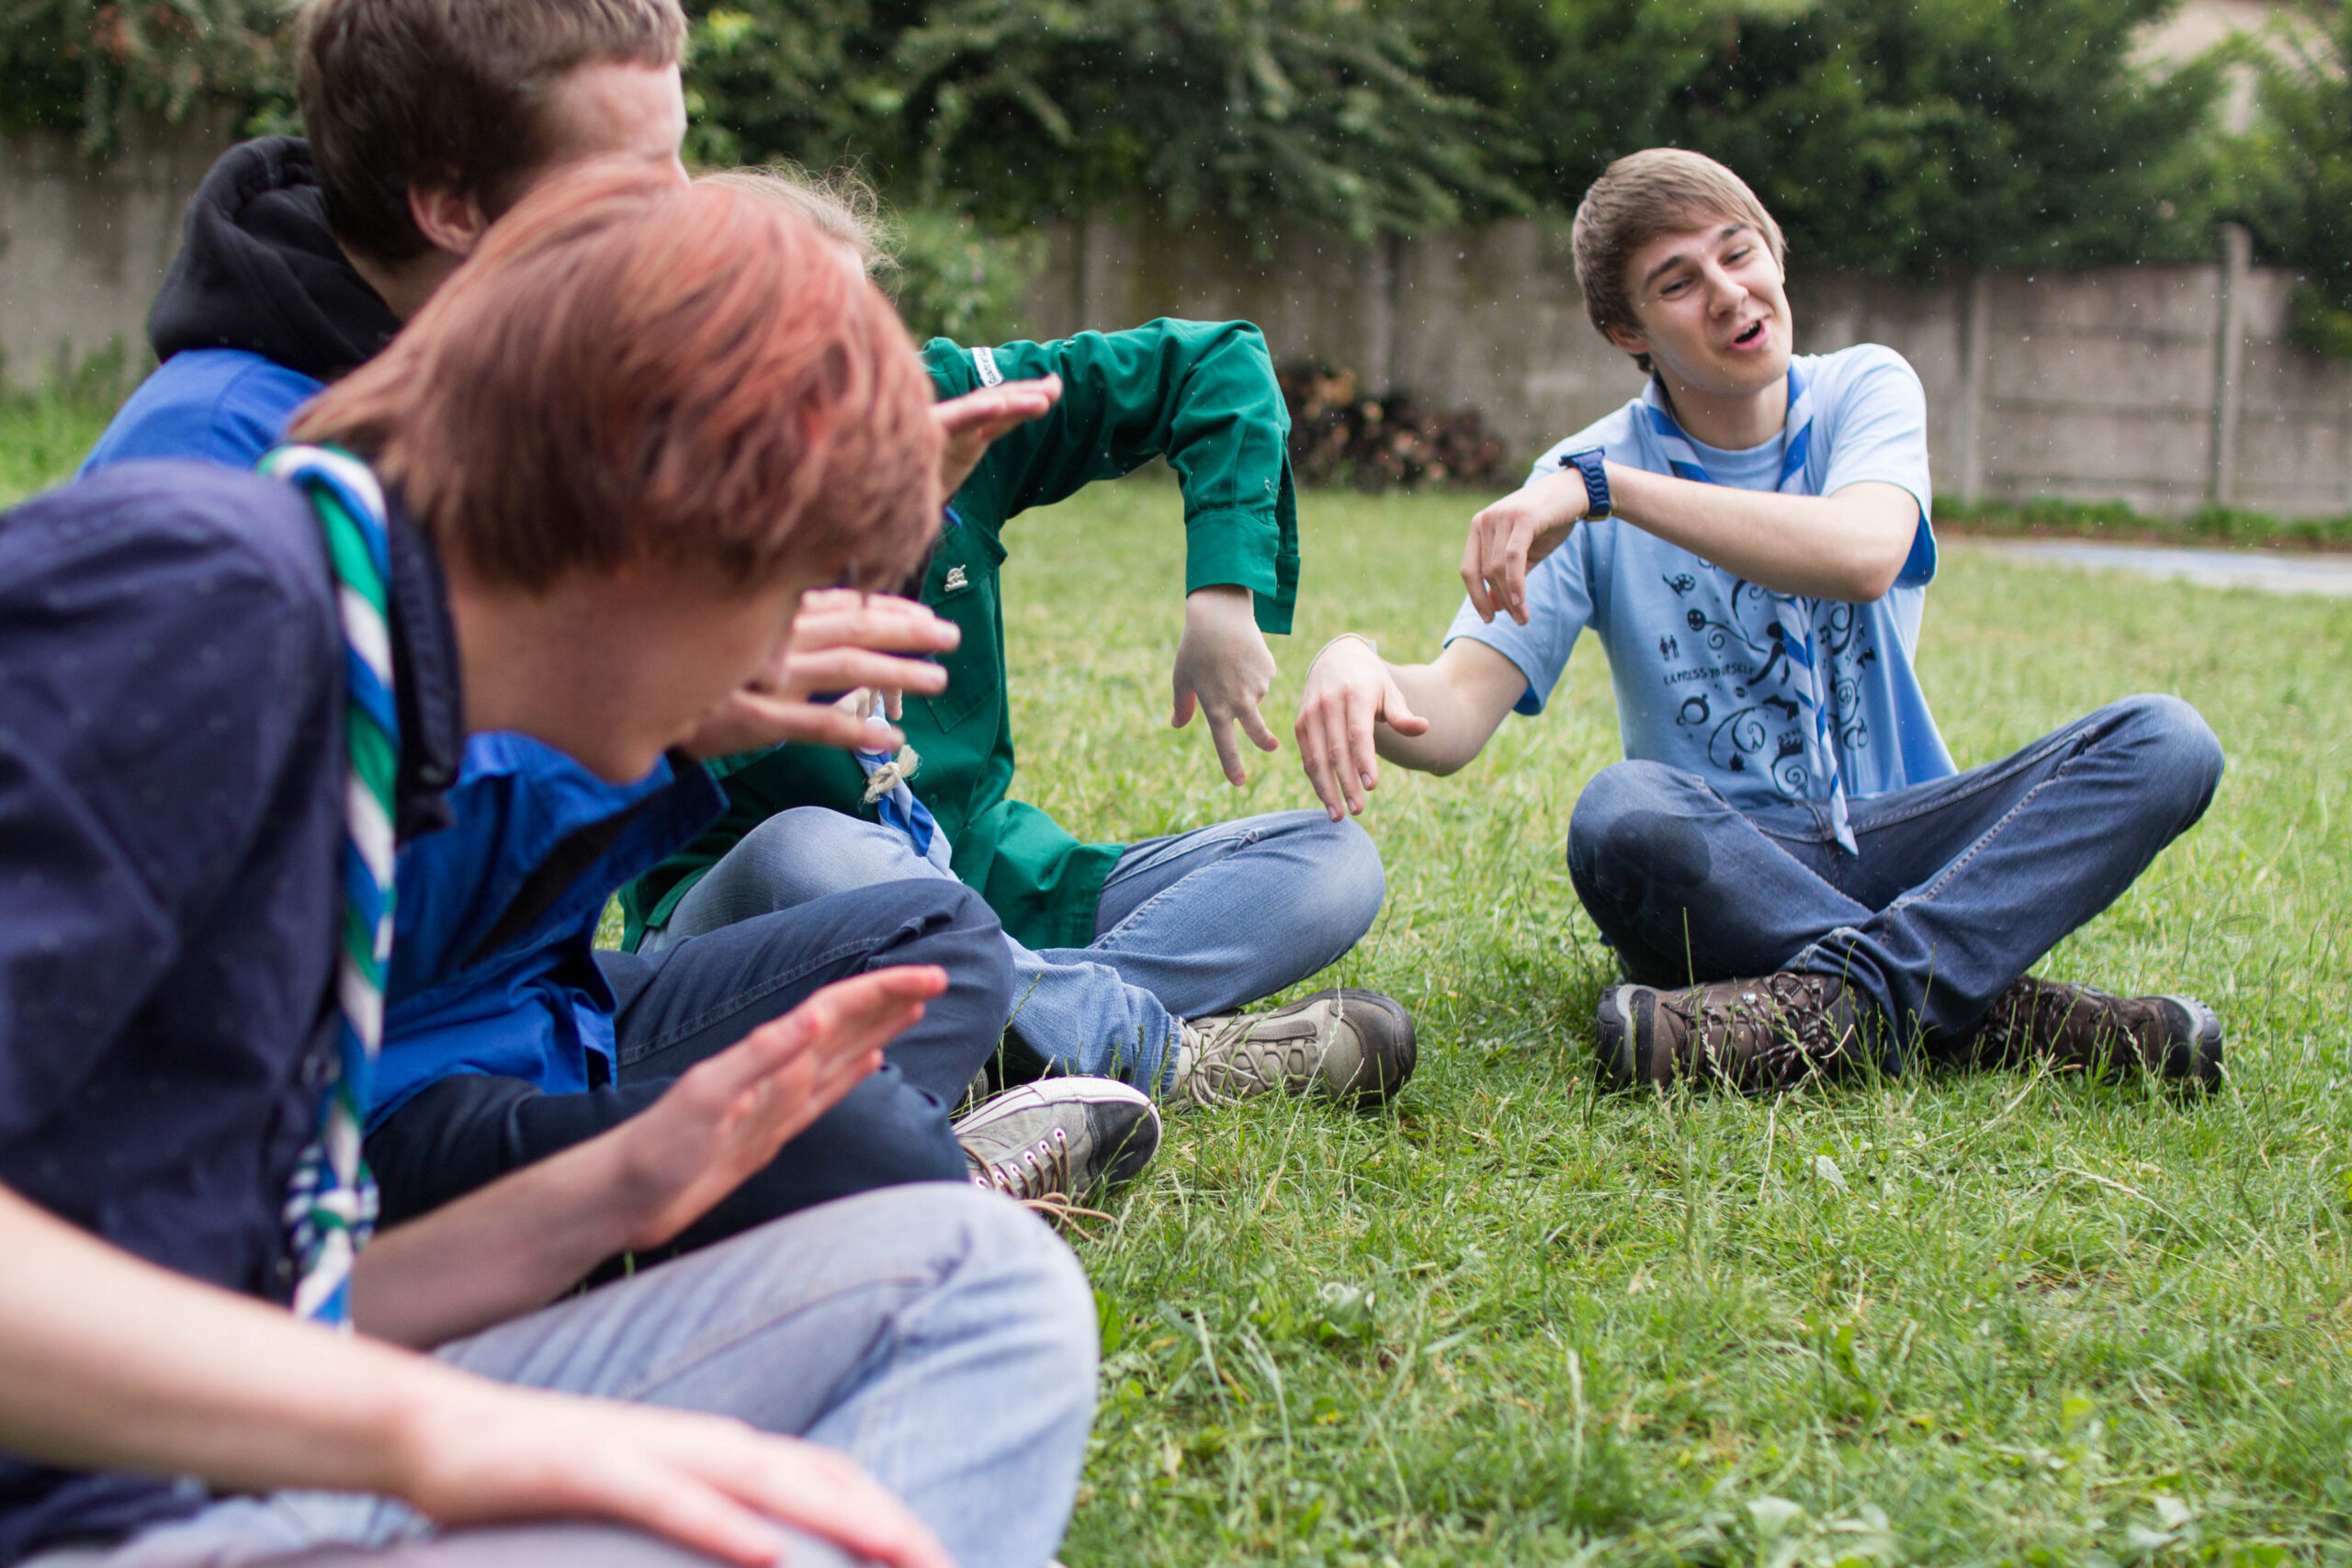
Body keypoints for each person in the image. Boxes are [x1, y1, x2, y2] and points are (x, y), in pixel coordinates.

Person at [2, 164, 1094, 1568]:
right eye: (786, 596)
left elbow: (280, 1318)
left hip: (218, 1461)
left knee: (981, 1283)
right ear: (654, 544)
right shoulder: (206, 599)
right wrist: (444, 1436)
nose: (783, 664)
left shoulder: (366, 684)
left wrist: (629, 1183)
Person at [78, 0, 1159, 1224]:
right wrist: (658, 729)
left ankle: (877, 1163)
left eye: (684, 154)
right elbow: (275, 962)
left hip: (549, 1009)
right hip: (374, 1096)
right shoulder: (225, 477)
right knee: (860, 1147)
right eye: (637, 176)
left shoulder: (519, 389)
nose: (690, 207)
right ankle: (914, 1175)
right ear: (453, 206)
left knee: (927, 938)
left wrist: (805, 577)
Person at [1294, 148, 2227, 1091]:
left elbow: (1863, 554)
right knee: (1620, 812)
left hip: (1908, 842)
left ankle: (1831, 1007)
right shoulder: (1578, 480)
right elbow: (1452, 714)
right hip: (1728, 867)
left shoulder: (1860, 390)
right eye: (1678, 282)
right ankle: (1976, 1004)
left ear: (1776, 255)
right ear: (1627, 330)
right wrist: (1354, 663)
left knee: (2168, 741)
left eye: (1739, 255)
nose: (1728, 293)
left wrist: (1606, 491)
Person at [619, 168, 1419, 1114]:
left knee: (1330, 866)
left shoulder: (937, 411)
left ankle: (1005, 1022)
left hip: (984, 877)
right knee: (808, 846)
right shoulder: (639, 511)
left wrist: (1221, 590)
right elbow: (619, 758)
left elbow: (1211, 364)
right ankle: (1159, 1054)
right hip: (753, 921)